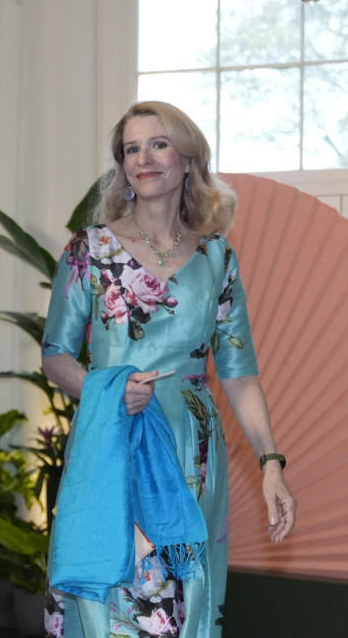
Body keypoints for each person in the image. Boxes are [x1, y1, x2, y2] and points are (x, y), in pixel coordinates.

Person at [41, 101, 296, 637]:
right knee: (119, 597)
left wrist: (271, 463)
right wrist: (106, 391)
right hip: (114, 438)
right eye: (131, 149)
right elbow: (55, 354)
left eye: (158, 144)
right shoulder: (90, 250)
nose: (144, 158)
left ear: (187, 159)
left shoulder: (218, 257)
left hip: (194, 453)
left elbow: (240, 372)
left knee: (183, 602)